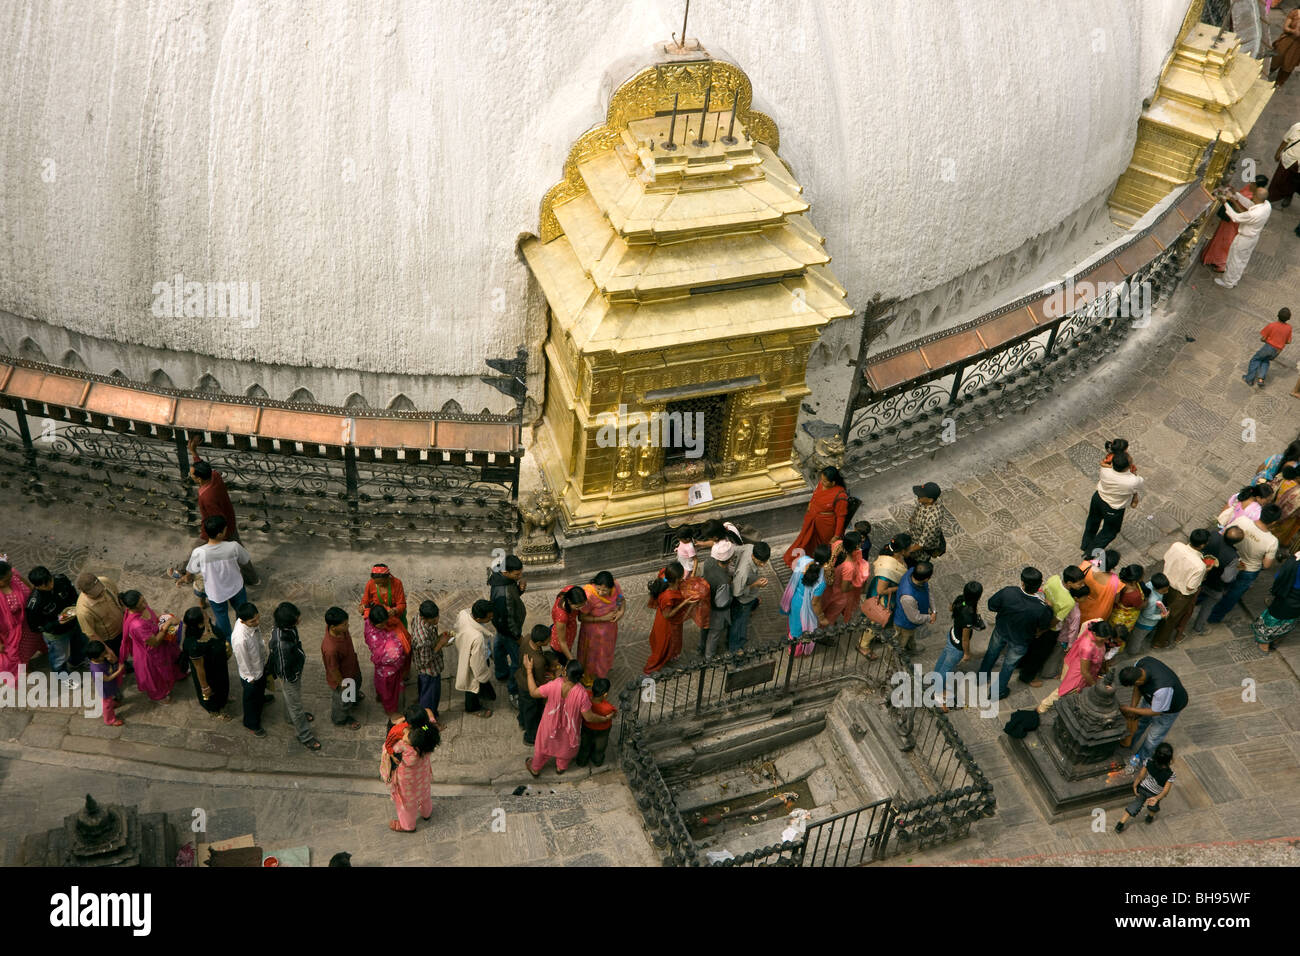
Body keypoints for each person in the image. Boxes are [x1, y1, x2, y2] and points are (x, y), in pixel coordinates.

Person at [188, 435, 258, 584]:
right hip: (227, 523)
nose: (190, 473)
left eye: (192, 473)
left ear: (199, 479)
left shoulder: (207, 497)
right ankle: (252, 578)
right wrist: (194, 453)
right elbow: (202, 467)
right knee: (239, 552)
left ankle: (183, 572)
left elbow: (216, 519)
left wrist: (213, 535)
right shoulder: (214, 476)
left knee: (201, 550)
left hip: (220, 529)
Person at [979, 567, 1053, 701]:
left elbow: (991, 605)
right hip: (1021, 640)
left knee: (991, 653)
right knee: (1009, 665)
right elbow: (1044, 626)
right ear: (1039, 586)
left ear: (1022, 582)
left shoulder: (1008, 592)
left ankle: (981, 677)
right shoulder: (1042, 608)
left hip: (1001, 630)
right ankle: (998, 691)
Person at [524, 659, 607, 777]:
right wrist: (603, 719)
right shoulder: (582, 694)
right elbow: (589, 717)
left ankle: (535, 769)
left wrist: (528, 670)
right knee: (565, 748)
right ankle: (560, 767)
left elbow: (533, 692)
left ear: (565, 674)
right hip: (569, 730)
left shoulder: (554, 685)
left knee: (543, 747)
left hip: (549, 726)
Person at [178, 515, 252, 645]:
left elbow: (191, 571)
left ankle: (227, 643)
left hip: (215, 592)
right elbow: (245, 560)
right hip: (236, 587)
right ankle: (244, 636)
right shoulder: (233, 547)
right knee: (242, 612)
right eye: (224, 529)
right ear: (220, 534)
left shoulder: (199, 552)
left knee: (221, 616)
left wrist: (185, 578)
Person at [1206, 504, 1281, 625]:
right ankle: (1214, 617)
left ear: (1261, 513)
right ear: (1273, 522)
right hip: (1248, 570)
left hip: (1230, 560)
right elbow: (1266, 565)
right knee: (1233, 595)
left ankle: (1201, 600)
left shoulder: (1243, 521)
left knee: (1216, 582)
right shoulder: (1272, 541)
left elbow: (1225, 532)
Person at [1119, 659, 1188, 772]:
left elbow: (1156, 711)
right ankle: (1128, 745)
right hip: (1151, 698)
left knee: (1152, 739)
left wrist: (1130, 709)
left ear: (1139, 680)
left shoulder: (1161, 688)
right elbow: (1138, 688)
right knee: (1140, 723)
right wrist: (1134, 708)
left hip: (1168, 709)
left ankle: (1138, 760)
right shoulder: (1140, 664)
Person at [267, 602, 320, 751]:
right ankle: (305, 736)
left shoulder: (287, 628)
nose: (299, 619)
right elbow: (284, 669)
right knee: (295, 705)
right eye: (296, 618)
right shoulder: (281, 643)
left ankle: (289, 717)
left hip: (294, 667)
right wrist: (294, 676)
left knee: (290, 698)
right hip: (290, 676)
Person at [1150, 529, 1214, 649]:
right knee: (1171, 618)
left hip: (1165, 583)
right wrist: (1206, 571)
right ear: (1202, 545)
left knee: (1160, 609)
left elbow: (1166, 558)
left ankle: (1152, 632)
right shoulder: (1200, 566)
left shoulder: (1177, 546)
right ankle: (1159, 642)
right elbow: (1191, 587)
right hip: (1180, 594)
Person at [1024, 565, 1085, 685]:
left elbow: (1043, 593)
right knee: (1040, 653)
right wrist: (1043, 631)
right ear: (1069, 583)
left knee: (1030, 646)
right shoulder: (1069, 602)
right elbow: (1057, 620)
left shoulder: (1054, 579)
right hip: (1049, 628)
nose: (1081, 586)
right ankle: (1028, 676)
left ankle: (1022, 665)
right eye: (1079, 584)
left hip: (1039, 615)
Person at [24, 566, 86, 683]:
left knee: (79, 644)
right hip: (57, 635)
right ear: (37, 586)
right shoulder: (34, 604)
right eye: (46, 585)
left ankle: (78, 661)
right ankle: (62, 675)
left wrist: (74, 607)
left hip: (73, 622)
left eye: (50, 580)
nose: (51, 585)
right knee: (59, 657)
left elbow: (73, 594)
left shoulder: (61, 579)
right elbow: (36, 627)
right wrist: (56, 623)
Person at [1036, 619, 1111, 713]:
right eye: (1103, 639)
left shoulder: (1097, 628)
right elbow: (1084, 672)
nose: (1106, 641)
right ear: (1095, 633)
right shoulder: (1087, 647)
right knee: (1065, 690)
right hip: (1079, 674)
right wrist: (1095, 686)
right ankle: (1044, 705)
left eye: (1107, 638)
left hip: (1090, 670)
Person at [119, 590, 181, 703]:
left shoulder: (142, 606)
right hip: (151, 654)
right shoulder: (137, 625)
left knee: (170, 663)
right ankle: (159, 696)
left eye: (144, 601)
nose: (144, 605)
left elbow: (153, 614)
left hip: (160, 644)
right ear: (132, 608)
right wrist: (167, 625)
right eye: (141, 605)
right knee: (155, 676)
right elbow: (155, 642)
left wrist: (164, 618)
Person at [784, 466, 849, 567]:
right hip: (812, 519)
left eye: (826, 481)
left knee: (822, 547)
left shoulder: (841, 495)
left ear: (833, 483)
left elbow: (841, 517)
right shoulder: (821, 484)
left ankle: (820, 565)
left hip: (826, 526)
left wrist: (836, 535)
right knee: (806, 541)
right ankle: (806, 562)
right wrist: (811, 505)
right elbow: (815, 495)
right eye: (822, 479)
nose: (822, 482)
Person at [858, 534, 910, 658]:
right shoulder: (887, 569)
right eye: (908, 548)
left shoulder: (892, 556)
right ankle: (863, 645)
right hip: (882, 599)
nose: (910, 550)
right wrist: (900, 588)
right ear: (902, 550)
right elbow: (881, 590)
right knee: (876, 621)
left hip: (888, 594)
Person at [1080, 452, 1142, 556]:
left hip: (1098, 498)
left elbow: (1104, 464)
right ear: (1127, 466)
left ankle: (1086, 544)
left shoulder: (1105, 470)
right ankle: (1090, 553)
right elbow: (1136, 485)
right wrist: (1134, 473)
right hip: (1113, 508)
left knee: (1092, 520)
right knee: (1109, 532)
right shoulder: (1133, 481)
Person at [1203, 175, 1270, 271]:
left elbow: (1238, 215)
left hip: (1237, 224)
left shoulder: (1255, 205)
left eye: (1252, 183)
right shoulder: (1262, 202)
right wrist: (1236, 194)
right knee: (1221, 239)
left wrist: (1228, 202)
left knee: (1227, 242)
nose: (1250, 184)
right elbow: (1246, 202)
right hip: (1234, 219)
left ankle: (1222, 264)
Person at [934, 581, 982, 712]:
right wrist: (967, 653)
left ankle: (935, 680)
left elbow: (951, 608)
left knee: (942, 662)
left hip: (952, 635)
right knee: (947, 669)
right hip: (957, 646)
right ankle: (938, 698)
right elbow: (965, 639)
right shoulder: (968, 616)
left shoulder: (961, 600)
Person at [386, 713, 439, 832]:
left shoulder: (403, 746)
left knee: (407, 805)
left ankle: (407, 826)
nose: (404, 735)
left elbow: (389, 748)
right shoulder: (427, 740)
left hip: (407, 783)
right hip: (423, 777)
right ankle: (426, 813)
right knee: (425, 795)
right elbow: (429, 724)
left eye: (407, 735)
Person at [1213, 184, 1272, 289]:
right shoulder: (1267, 205)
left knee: (1234, 260)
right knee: (1243, 260)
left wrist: (1225, 203)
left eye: (1254, 195)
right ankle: (1235, 280)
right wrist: (1237, 195)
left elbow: (1235, 217)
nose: (1252, 196)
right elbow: (1250, 204)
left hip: (1245, 238)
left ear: (1256, 197)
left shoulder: (1255, 214)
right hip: (1253, 238)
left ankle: (1228, 282)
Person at [1188, 526, 1244, 635]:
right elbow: (1226, 578)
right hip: (1214, 585)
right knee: (1207, 607)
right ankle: (1198, 627)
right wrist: (1237, 569)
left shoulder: (1213, 535)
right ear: (1237, 542)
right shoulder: (1233, 557)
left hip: (1198, 577)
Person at [488, 555, 527, 706]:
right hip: (510, 630)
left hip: (501, 627)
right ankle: (514, 691)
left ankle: (501, 673)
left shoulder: (500, 580)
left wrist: (519, 590)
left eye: (520, 573)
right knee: (517, 662)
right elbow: (508, 617)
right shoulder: (502, 593)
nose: (520, 576)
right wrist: (517, 636)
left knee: (499, 649)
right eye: (516, 575)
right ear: (505, 572)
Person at [644, 562, 696, 674]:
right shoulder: (668, 596)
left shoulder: (664, 578)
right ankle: (660, 661)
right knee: (666, 642)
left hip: (663, 618)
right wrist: (684, 603)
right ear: (677, 580)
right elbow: (667, 615)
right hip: (667, 623)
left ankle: (670, 655)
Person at [181, 607, 231, 719]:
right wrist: (204, 687)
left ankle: (223, 700)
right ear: (199, 624)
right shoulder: (194, 644)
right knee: (213, 694)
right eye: (204, 616)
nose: (207, 615)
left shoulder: (209, 628)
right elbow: (199, 668)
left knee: (223, 685)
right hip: (209, 673)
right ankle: (214, 710)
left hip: (219, 666)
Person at [365, 605, 411, 725]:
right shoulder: (373, 637)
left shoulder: (370, 623)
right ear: (373, 622)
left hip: (384, 669)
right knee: (388, 690)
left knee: (382, 685)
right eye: (382, 624)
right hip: (387, 669)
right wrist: (398, 643)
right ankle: (391, 711)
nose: (385, 625)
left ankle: (380, 696)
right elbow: (389, 655)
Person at [1114, 742, 1176, 833]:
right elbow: (1165, 791)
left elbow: (1141, 776)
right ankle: (1150, 817)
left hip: (1143, 788)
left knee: (1135, 804)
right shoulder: (1170, 775)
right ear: (1170, 759)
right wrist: (1156, 798)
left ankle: (1120, 824)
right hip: (1155, 794)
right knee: (1153, 807)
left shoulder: (1148, 762)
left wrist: (1135, 785)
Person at [231, 602, 271, 737]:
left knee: (260, 689)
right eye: (253, 621)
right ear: (242, 621)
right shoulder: (240, 638)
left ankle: (261, 700)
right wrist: (250, 678)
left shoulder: (251, 625)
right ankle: (251, 722)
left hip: (259, 665)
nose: (257, 622)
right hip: (251, 674)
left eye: (257, 618)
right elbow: (242, 660)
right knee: (250, 698)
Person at [0, 562, 44, 681]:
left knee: (39, 638)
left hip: (29, 619)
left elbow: (29, 587)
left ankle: (44, 650)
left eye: (10, 577)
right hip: (13, 631)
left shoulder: (13, 574)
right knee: (22, 653)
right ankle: (26, 668)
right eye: (6, 580)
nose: (11, 580)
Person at [454, 599, 497, 718]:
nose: (491, 619)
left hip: (465, 649)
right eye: (489, 617)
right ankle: (472, 708)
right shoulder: (477, 637)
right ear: (478, 619)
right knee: (472, 684)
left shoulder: (463, 613)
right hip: (475, 659)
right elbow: (477, 664)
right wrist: (483, 675)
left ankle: (485, 693)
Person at [578, 571, 624, 681]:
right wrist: (602, 618)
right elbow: (581, 617)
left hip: (609, 632)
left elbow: (621, 598)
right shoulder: (589, 595)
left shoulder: (616, 587)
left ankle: (601, 673)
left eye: (604, 590)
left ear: (611, 588)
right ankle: (589, 676)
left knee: (604, 654)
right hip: (592, 634)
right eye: (598, 588)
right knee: (592, 656)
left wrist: (621, 611)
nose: (601, 592)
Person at [322, 607, 363, 729]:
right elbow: (333, 669)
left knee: (356, 685)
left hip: (352, 669)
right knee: (343, 700)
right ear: (333, 627)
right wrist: (342, 683)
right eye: (344, 624)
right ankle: (341, 718)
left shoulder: (342, 631)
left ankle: (354, 698)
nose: (348, 626)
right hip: (344, 678)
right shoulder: (330, 648)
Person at [411, 600, 451, 725]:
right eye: (433, 620)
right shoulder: (422, 638)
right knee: (430, 700)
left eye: (437, 617)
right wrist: (440, 643)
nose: (436, 621)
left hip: (423, 668)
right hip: (429, 670)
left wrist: (439, 639)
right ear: (423, 617)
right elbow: (426, 660)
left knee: (424, 691)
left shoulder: (417, 617)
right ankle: (427, 724)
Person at [1251, 551, 1300, 653]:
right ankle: (1273, 640)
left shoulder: (1295, 560)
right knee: (1289, 621)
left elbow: (1279, 576)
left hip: (1287, 596)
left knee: (1273, 620)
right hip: (1293, 601)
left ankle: (1264, 643)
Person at [75, 572, 126, 665]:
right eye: (97, 594)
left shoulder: (105, 581)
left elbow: (117, 596)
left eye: (101, 590)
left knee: (124, 650)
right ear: (85, 593)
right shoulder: (83, 611)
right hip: (110, 639)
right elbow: (92, 635)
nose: (102, 594)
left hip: (122, 626)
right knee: (116, 656)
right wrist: (107, 650)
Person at [787, 549, 830, 657]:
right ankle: (796, 651)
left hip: (795, 600)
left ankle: (792, 647)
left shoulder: (803, 560)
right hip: (806, 608)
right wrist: (821, 617)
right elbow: (815, 603)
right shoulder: (821, 581)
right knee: (803, 630)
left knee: (794, 625)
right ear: (826, 563)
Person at [517, 624, 555, 744]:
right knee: (532, 712)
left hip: (520, 678)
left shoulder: (527, 638)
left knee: (524, 706)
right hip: (528, 686)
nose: (550, 640)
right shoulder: (538, 660)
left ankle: (522, 721)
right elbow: (540, 680)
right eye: (548, 640)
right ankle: (530, 737)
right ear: (539, 642)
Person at [729, 540, 771, 650]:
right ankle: (735, 649)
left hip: (749, 596)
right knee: (739, 625)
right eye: (760, 562)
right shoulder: (743, 573)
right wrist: (755, 584)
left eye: (765, 561)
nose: (763, 565)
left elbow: (734, 550)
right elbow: (737, 592)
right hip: (743, 601)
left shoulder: (750, 547)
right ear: (753, 556)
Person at [891, 560, 936, 655]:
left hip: (911, 622)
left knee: (910, 636)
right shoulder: (908, 597)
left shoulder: (912, 572)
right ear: (927, 578)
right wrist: (929, 617)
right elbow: (914, 618)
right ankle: (892, 662)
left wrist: (934, 611)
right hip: (904, 624)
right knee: (899, 645)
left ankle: (911, 648)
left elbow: (928, 592)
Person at [822, 532, 868, 624]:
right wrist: (859, 583)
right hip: (838, 596)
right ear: (857, 546)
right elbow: (844, 588)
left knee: (824, 610)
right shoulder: (849, 567)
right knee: (830, 617)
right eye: (860, 542)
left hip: (828, 588)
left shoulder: (838, 544)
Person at [700, 541, 735, 659]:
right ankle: (709, 656)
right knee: (714, 632)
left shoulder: (709, 562)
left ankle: (701, 647)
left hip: (705, 603)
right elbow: (721, 603)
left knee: (705, 628)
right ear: (729, 560)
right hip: (716, 610)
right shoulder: (723, 582)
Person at [1242, 308, 1293, 388]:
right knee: (1265, 361)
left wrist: (1265, 340)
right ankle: (1261, 379)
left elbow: (1263, 338)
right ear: (1289, 318)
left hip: (1268, 347)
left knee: (1255, 360)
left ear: (1277, 315)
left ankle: (1249, 379)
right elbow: (1288, 341)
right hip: (1277, 350)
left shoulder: (1272, 325)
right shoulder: (1289, 328)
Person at [575, 677, 616, 767]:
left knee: (585, 746)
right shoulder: (608, 707)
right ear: (605, 694)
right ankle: (597, 761)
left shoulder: (586, 696)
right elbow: (614, 714)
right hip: (603, 731)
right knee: (599, 748)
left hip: (587, 727)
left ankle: (581, 761)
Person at [1075, 550, 1122, 624]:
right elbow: (1116, 600)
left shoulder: (1086, 566)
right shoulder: (1116, 583)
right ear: (1113, 566)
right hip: (1095, 616)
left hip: (1078, 605)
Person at [1129, 573, 1170, 656]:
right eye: (1164, 591)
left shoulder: (1150, 584)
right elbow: (1147, 615)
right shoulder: (1152, 601)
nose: (1167, 592)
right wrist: (1161, 616)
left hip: (1147, 619)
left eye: (1167, 589)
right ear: (1156, 588)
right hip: (1145, 623)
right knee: (1137, 639)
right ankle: (1133, 651)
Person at [85, 640, 124, 726]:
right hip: (104, 688)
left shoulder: (100, 659)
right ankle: (109, 720)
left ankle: (112, 703)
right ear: (94, 658)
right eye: (102, 655)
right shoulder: (96, 670)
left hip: (109, 686)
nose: (105, 656)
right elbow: (107, 678)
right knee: (107, 704)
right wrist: (119, 670)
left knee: (110, 698)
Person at [361, 563, 406, 629]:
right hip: (380, 618)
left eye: (382, 583)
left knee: (400, 636)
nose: (379, 585)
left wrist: (395, 610)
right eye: (377, 583)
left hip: (396, 616)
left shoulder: (397, 583)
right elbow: (365, 601)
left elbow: (402, 604)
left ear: (388, 578)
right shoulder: (370, 583)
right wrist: (362, 607)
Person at [907, 482, 945, 561]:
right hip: (914, 533)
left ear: (930, 500)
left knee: (914, 562)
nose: (918, 498)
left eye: (920, 496)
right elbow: (918, 508)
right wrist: (913, 517)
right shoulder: (925, 501)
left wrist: (907, 551)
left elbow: (922, 544)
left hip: (921, 549)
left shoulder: (932, 520)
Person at [549, 586, 586, 664]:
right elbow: (562, 642)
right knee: (562, 664)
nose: (580, 608)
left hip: (567, 635)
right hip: (560, 646)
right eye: (577, 607)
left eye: (582, 605)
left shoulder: (570, 590)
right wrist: (572, 661)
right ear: (569, 601)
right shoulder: (562, 617)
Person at [1269, 9, 1300, 88]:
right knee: (1276, 58)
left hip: (1297, 47)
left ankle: (1279, 83)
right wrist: (1293, 31)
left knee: (1289, 64)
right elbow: (1285, 27)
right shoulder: (1295, 12)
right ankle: (1265, 74)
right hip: (1287, 40)